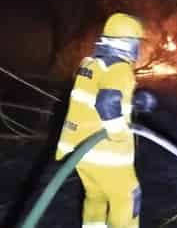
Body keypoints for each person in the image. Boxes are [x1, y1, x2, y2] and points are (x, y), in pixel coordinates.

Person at [55, 13, 146, 227]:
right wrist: (119, 134)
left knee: (96, 197)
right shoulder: (120, 68)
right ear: (126, 43)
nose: (138, 48)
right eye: (136, 42)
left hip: (81, 153)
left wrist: (134, 104)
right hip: (108, 155)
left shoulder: (90, 64)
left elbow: (95, 100)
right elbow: (106, 103)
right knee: (127, 198)